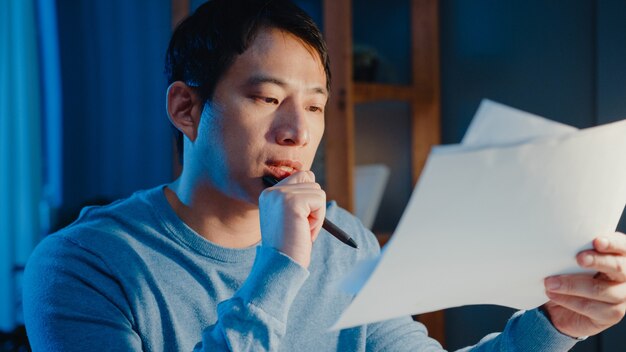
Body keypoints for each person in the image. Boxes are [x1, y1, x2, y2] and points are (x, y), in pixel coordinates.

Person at [23, 0, 626, 350]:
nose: (298, 131)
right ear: (186, 109)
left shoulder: (344, 240)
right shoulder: (81, 264)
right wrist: (280, 268)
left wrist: (556, 326)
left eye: (315, 105)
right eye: (266, 98)